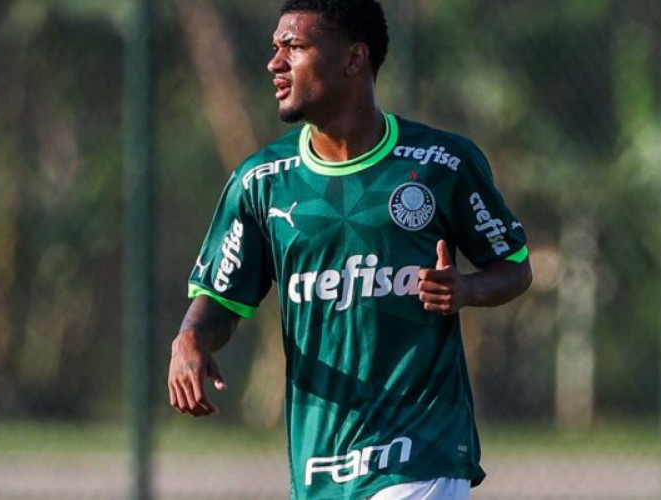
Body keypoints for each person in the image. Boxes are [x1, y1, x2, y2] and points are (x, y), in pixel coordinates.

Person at [167, 0, 532, 498]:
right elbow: (223, 302)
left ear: (354, 59)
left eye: (293, 47)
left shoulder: (441, 163)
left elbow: (513, 266)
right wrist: (190, 339)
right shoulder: (260, 182)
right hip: (319, 466)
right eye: (275, 47)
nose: (275, 63)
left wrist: (466, 289)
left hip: (422, 453)